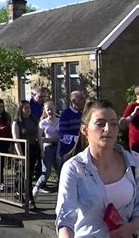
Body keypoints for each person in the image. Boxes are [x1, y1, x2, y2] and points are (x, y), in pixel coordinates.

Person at [56, 99, 139, 237]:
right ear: (85, 130)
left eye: (113, 124)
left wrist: (131, 227)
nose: (108, 129)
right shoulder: (74, 168)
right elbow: (65, 219)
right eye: (100, 124)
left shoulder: (132, 163)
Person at [12, 100, 43, 209]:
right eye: (25, 108)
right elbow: (16, 139)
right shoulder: (17, 122)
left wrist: (41, 148)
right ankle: (29, 198)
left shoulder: (33, 119)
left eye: (29, 108)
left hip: (33, 148)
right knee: (25, 174)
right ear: (21, 109)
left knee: (29, 174)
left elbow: (38, 134)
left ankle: (19, 192)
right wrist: (21, 155)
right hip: (23, 149)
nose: (28, 110)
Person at [33, 101, 59, 197]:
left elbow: (62, 136)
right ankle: (36, 187)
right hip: (48, 148)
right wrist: (42, 149)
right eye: (48, 109)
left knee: (60, 171)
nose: (50, 111)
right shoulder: (43, 123)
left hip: (58, 148)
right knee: (46, 172)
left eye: (51, 109)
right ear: (45, 111)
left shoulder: (60, 121)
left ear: (55, 109)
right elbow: (39, 138)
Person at [58, 91, 86, 167]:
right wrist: (75, 138)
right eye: (82, 99)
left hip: (81, 152)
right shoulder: (65, 114)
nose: (85, 101)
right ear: (74, 101)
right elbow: (61, 136)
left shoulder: (83, 114)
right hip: (68, 152)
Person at [119, 85, 139, 152]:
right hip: (136, 144)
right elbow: (122, 124)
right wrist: (133, 114)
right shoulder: (132, 106)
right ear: (137, 95)